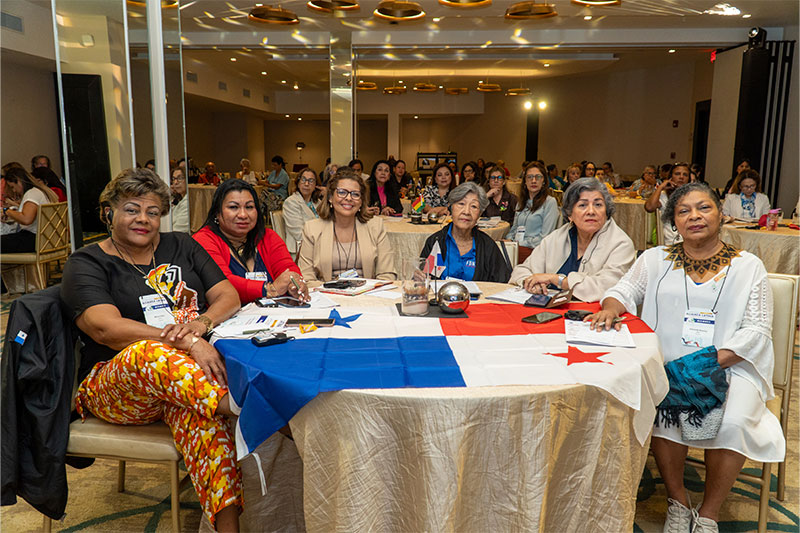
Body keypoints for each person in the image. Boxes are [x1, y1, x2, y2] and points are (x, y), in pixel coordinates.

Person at [588, 182, 784, 533]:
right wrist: (611, 308)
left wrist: (707, 364)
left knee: (734, 422)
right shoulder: (655, 259)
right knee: (661, 407)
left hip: (730, 365)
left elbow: (757, 329)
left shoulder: (748, 266)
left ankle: (708, 514)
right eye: (683, 211)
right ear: (674, 222)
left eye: (703, 207)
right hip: (667, 364)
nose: (694, 216)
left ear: (721, 214)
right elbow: (623, 290)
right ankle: (678, 502)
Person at [59, 168, 244, 531]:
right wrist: (188, 341)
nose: (143, 219)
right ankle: (242, 406)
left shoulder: (182, 246)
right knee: (146, 352)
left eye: (153, 211)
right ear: (109, 212)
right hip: (114, 387)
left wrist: (202, 323)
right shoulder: (87, 262)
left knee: (204, 421)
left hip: (185, 386)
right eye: (132, 209)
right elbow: (106, 328)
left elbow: (228, 295)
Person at [509, 177, 635, 302]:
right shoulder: (557, 238)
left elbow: (607, 286)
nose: (591, 211)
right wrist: (530, 282)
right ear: (570, 214)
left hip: (592, 313)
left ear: (606, 211)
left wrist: (558, 280)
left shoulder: (621, 244)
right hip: (548, 311)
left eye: (598, 204)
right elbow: (522, 270)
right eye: (582, 205)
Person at [193, 179, 307, 305]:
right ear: (217, 213)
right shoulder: (203, 240)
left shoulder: (267, 236)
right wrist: (269, 289)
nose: (243, 215)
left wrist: (294, 285)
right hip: (226, 315)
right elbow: (222, 283)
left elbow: (287, 269)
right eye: (233, 207)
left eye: (249, 207)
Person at [298, 167, 395, 282]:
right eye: (342, 192)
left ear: (361, 201)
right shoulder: (312, 229)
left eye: (355, 194)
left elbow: (386, 274)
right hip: (325, 291)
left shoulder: (376, 227)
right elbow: (306, 277)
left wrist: (373, 291)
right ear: (330, 198)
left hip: (368, 291)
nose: (349, 198)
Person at [420, 182, 510, 283]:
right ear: (451, 208)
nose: (466, 212)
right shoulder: (435, 241)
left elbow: (502, 283)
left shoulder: (488, 246)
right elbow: (422, 281)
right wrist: (419, 278)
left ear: (480, 214)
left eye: (474, 206)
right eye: (461, 204)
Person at [1, 167, 59, 252]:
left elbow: (26, 219)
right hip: (48, 239)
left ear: (19, 181)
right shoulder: (40, 191)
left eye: (12, 187)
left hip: (34, 239)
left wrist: (7, 211)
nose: (14, 191)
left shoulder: (32, 194)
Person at [506, 161, 559, 249]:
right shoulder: (521, 202)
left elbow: (545, 237)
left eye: (538, 177)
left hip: (536, 249)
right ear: (525, 181)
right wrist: (509, 240)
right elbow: (514, 229)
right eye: (529, 177)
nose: (533, 181)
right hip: (517, 246)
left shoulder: (550, 202)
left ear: (544, 181)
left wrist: (519, 243)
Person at [645, 162, 692, 245]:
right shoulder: (664, 196)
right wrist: (660, 187)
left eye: (685, 175)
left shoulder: (693, 196)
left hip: (691, 241)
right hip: (670, 242)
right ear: (671, 177)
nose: (681, 177)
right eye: (677, 174)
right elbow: (649, 207)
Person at [282, 168, 321, 255]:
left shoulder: (317, 202)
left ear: (316, 185)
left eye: (311, 181)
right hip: (300, 250)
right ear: (298, 183)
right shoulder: (291, 202)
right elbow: (299, 233)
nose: (306, 184)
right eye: (303, 179)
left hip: (317, 246)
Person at [170, 168, 189, 233]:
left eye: (180, 178)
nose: (175, 182)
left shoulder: (187, 203)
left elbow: (177, 230)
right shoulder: (178, 200)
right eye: (173, 179)